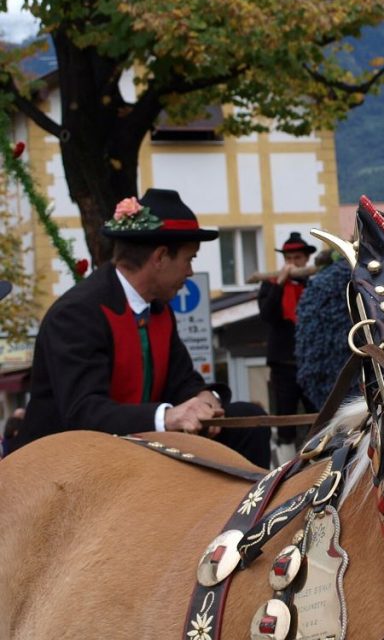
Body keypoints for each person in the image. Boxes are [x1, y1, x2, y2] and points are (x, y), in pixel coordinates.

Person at [14, 188, 271, 467]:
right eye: (189, 259)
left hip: (133, 455)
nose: (190, 272)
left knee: (247, 423)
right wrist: (167, 417)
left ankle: (254, 497)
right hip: (66, 466)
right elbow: (84, 412)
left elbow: (181, 381)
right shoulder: (77, 313)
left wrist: (204, 397)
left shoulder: (159, 311)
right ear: (160, 257)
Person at [257, 232, 318, 447]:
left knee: (318, 415)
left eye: (297, 258)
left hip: (311, 363)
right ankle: (286, 457)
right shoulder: (270, 285)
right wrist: (280, 285)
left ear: (306, 259)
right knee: (285, 418)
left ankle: (320, 456)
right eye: (288, 259)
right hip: (283, 363)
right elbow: (267, 316)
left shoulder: (315, 284)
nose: (292, 263)